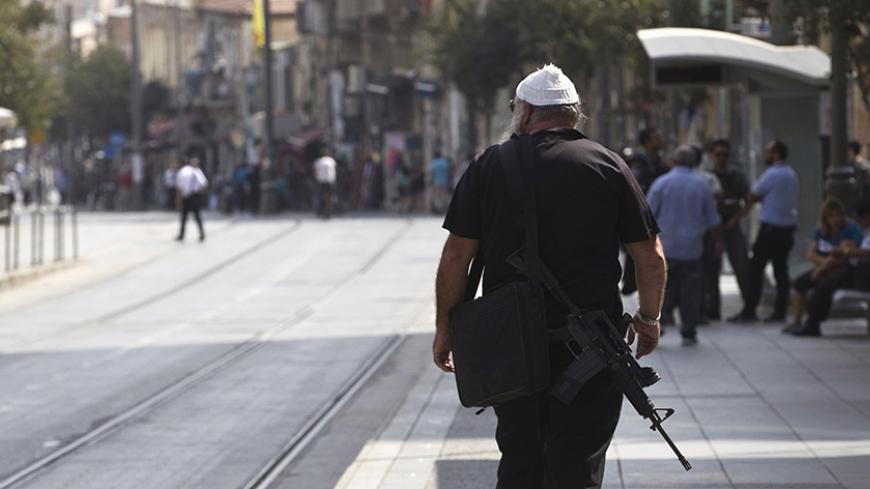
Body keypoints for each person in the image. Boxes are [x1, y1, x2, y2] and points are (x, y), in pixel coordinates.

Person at [434, 64, 665, 489]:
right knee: (577, 466)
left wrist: (446, 328)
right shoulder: (606, 164)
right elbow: (649, 256)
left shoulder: (488, 166)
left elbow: (455, 258)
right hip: (592, 346)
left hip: (511, 344)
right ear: (573, 114)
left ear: (523, 113)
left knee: (521, 463)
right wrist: (648, 319)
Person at [647, 146, 722, 345]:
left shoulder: (661, 184)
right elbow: (713, 219)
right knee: (691, 290)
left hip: (666, 247)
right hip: (693, 248)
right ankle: (688, 330)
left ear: (674, 161)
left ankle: (660, 323)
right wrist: (718, 241)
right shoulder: (702, 185)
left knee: (665, 287)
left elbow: (648, 215)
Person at [729, 140, 798, 323]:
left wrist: (737, 217)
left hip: (770, 229)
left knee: (755, 268)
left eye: (768, 151)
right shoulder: (791, 174)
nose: (765, 154)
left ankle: (750, 309)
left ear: (775, 153)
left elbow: (753, 195)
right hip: (787, 228)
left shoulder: (771, 174)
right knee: (781, 270)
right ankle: (780, 310)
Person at [783, 199, 862, 335]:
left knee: (824, 285)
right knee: (800, 283)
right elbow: (810, 253)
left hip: (847, 268)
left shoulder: (851, 229)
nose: (835, 220)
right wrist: (823, 264)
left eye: (838, 215)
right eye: (831, 216)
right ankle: (797, 322)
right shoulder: (822, 232)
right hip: (828, 267)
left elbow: (846, 254)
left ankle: (812, 323)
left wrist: (823, 267)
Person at [707, 139, 751, 319]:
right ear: (712, 155)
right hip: (714, 228)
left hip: (731, 225)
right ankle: (712, 309)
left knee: (741, 266)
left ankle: (749, 307)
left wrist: (736, 218)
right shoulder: (708, 177)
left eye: (725, 155)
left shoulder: (736, 176)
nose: (721, 158)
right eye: (718, 154)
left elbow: (749, 200)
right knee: (711, 270)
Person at [621, 126, 667, 296]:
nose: (660, 140)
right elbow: (636, 185)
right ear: (648, 141)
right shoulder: (640, 160)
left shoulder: (658, 160)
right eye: (656, 137)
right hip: (644, 212)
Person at [175, 150, 208, 242]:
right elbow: (204, 184)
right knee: (197, 216)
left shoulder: (181, 172)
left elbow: (179, 188)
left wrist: (178, 201)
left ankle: (181, 235)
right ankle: (202, 234)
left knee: (184, 217)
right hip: (196, 196)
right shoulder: (197, 171)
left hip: (186, 197)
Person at [313, 148, 337, 218]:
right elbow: (334, 171)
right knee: (330, 196)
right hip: (330, 181)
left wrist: (317, 179)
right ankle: (329, 209)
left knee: (321, 196)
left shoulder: (318, 161)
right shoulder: (331, 160)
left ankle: (322, 210)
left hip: (321, 181)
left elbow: (316, 172)